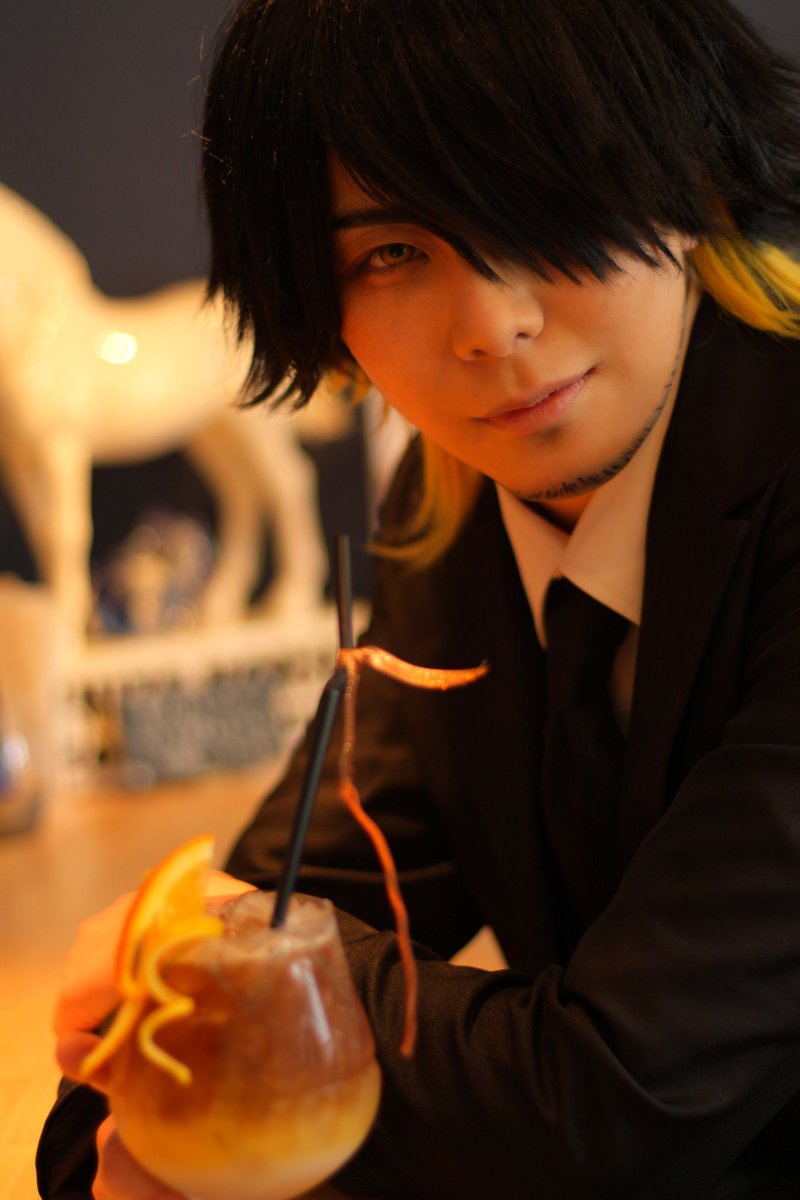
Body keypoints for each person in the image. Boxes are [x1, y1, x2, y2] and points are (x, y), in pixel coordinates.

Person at [37, 0, 800, 1196]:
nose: (492, 326)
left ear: (691, 173)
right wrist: (141, 1113)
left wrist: (203, 961)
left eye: (542, 198)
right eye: (390, 253)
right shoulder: (449, 513)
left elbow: (613, 1096)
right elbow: (306, 890)